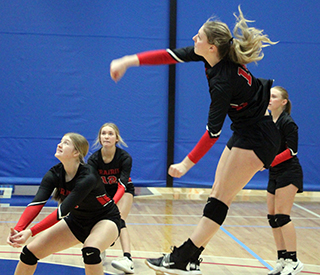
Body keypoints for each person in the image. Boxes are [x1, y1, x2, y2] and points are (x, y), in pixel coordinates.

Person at [110, 5, 281, 275]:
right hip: (247, 132)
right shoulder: (212, 58)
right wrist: (127, 61)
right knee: (217, 196)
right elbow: (170, 55)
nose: (193, 39)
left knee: (220, 199)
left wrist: (185, 165)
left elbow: (213, 132)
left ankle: (183, 258)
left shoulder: (223, 81)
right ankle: (188, 258)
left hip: (258, 137)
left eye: (199, 36)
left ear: (212, 46)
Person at [7, 133, 121, 275]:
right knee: (29, 253)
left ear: (76, 152)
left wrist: (31, 231)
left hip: (105, 219)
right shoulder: (54, 174)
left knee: (90, 251)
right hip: (77, 220)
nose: (59, 145)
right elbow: (36, 203)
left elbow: (62, 212)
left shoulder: (88, 176)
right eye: (60, 141)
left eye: (66, 143)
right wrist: (18, 229)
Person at [88, 122, 135, 274]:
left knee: (119, 220)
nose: (106, 136)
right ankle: (99, 249)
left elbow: (122, 184)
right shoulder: (94, 160)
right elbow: (92, 185)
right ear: (99, 138)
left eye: (110, 134)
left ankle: (128, 259)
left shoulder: (124, 157)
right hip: (103, 191)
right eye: (103, 133)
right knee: (97, 220)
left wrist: (112, 204)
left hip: (123, 190)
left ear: (116, 138)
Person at [266, 86, 304, 275]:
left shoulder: (288, 123)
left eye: (274, 96)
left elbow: (292, 150)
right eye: (269, 96)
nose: (269, 99)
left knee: (282, 216)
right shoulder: (266, 122)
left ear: (283, 102)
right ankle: (281, 259)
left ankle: (293, 260)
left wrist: (269, 161)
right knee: (272, 218)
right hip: (273, 173)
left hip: (289, 172)